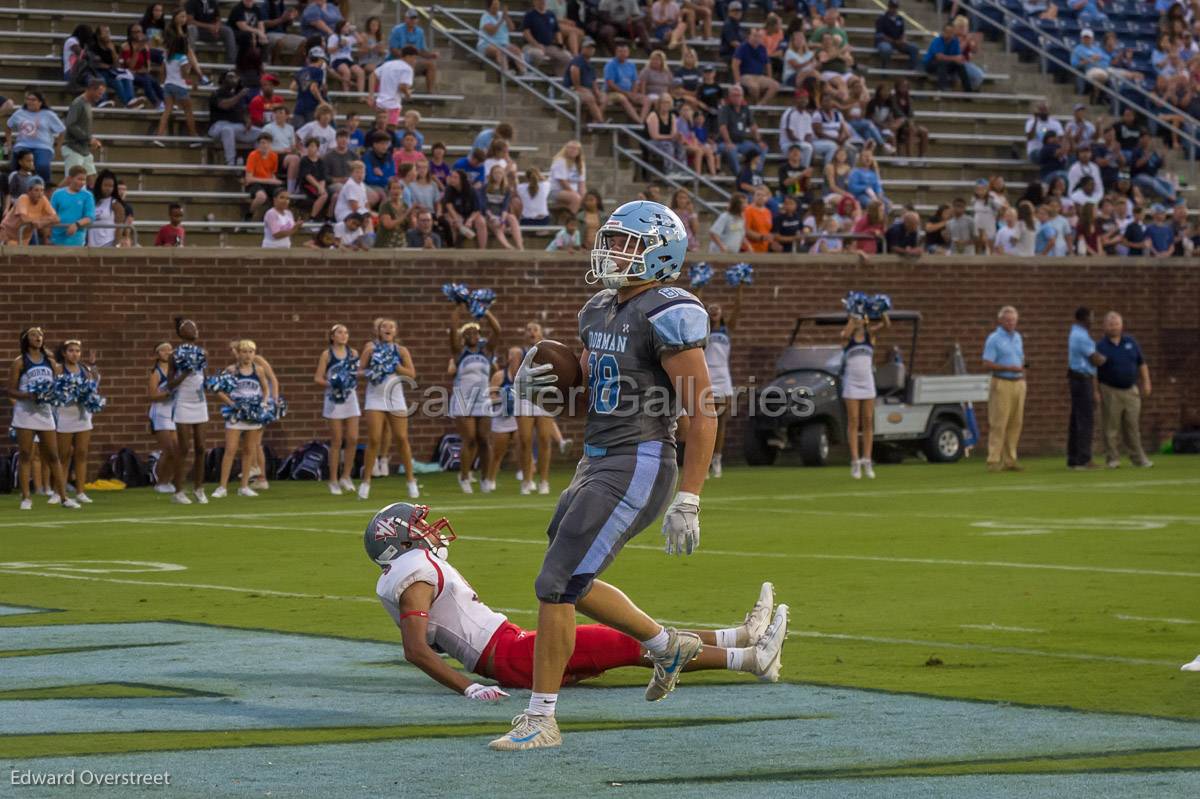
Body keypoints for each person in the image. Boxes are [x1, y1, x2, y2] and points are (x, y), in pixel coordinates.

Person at [489, 200, 717, 751]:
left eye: (626, 243)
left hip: (639, 459)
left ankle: (541, 718)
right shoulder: (598, 309)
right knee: (572, 578)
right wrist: (541, 390)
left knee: (557, 582)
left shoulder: (670, 308)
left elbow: (701, 410)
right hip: (597, 456)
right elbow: (593, 398)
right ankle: (667, 645)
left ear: (661, 252)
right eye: (611, 240)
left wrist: (690, 495)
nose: (612, 251)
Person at [366, 502, 788, 698]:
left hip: (511, 647)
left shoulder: (409, 571)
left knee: (629, 637)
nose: (431, 529)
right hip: (508, 655)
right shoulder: (412, 573)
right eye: (419, 525)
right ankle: (752, 660)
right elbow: (416, 649)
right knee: (632, 643)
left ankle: (740, 635)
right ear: (399, 538)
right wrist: (469, 688)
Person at [9, 327, 77, 510]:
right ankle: (26, 497)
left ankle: (63, 497)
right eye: (33, 334)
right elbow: (10, 390)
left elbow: (57, 385)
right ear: (25, 339)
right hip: (25, 412)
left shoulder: (51, 361)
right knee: (25, 455)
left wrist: (54, 394)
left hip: (45, 413)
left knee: (53, 455)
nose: (38, 337)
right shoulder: (19, 362)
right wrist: (27, 395)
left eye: (40, 334)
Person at [448, 304, 500, 494]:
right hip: (463, 399)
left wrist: (484, 310)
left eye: (475, 332)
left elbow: (497, 330)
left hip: (483, 398)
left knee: (484, 439)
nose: (472, 334)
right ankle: (464, 476)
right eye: (468, 332)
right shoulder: (459, 353)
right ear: (463, 337)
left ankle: (486, 478)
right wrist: (459, 307)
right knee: (469, 438)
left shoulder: (486, 352)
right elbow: (453, 328)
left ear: (479, 336)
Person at [691, 281, 742, 478]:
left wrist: (740, 286)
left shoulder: (728, 329)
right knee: (704, 419)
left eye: (717, 308)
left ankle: (717, 459)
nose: (714, 310)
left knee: (721, 421)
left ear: (721, 313)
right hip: (706, 374)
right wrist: (699, 286)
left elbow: (739, 307)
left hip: (723, 376)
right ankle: (703, 460)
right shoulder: (702, 329)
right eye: (711, 307)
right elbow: (697, 305)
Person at [1095, 311, 1153, 469]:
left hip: (1131, 390)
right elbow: (1093, 371)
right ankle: (1112, 459)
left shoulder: (1131, 342)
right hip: (1110, 390)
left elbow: (1142, 364)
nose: (1114, 326)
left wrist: (1146, 383)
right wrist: (1095, 391)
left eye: (1116, 323)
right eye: (1110, 324)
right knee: (1111, 427)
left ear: (1122, 325)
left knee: (1132, 426)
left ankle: (1138, 459)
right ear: (1104, 326)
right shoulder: (1100, 346)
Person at [841, 311, 889, 479]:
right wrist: (852, 318)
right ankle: (855, 462)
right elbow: (845, 334)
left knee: (868, 420)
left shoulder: (870, 336)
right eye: (857, 318)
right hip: (851, 383)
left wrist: (881, 309)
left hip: (867, 383)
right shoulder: (847, 338)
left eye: (862, 317)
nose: (860, 320)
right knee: (854, 421)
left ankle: (867, 459)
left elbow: (886, 325)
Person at [314, 324, 361, 495]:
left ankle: (346, 476)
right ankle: (333, 480)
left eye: (346, 332)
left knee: (353, 438)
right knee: (337, 440)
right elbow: (318, 378)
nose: (344, 335)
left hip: (350, 398)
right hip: (333, 399)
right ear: (332, 336)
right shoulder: (327, 354)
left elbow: (357, 374)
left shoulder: (353, 353)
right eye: (339, 332)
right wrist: (333, 384)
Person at [53, 340, 98, 504]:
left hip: (82, 415)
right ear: (64, 353)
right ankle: (59, 492)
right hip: (64, 415)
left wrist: (93, 368)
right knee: (63, 455)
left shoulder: (85, 370)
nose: (75, 354)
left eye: (78, 351)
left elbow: (93, 387)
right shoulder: (58, 369)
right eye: (71, 351)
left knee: (81, 453)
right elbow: (52, 390)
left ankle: (80, 492)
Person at [982, 306, 1026, 472]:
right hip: (1002, 382)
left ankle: (1010, 460)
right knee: (999, 422)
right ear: (1000, 320)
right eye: (1008, 320)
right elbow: (986, 363)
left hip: (1018, 383)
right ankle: (993, 460)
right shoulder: (994, 339)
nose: (1011, 323)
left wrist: (1022, 373)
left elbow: (1021, 359)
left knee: (1016, 422)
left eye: (1013, 320)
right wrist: (1008, 368)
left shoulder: (1018, 338)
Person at [1066, 307, 1106, 470]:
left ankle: (1073, 458)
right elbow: (1095, 359)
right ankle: (1084, 459)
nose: (1093, 321)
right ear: (1084, 318)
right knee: (1085, 420)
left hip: (1077, 379)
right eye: (1091, 317)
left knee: (1076, 420)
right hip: (1082, 380)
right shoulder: (1081, 336)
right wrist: (1104, 360)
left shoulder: (1075, 333)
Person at [6, 91, 63, 185]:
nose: (30, 102)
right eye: (28, 99)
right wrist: (9, 145)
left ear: (40, 102)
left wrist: (58, 149)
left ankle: (45, 188)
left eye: (33, 100)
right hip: (23, 144)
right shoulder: (20, 112)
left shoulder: (49, 114)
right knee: (16, 162)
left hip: (43, 146)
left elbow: (62, 131)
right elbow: (8, 127)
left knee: (42, 165)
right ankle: (14, 189)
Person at [147, 342, 181, 496]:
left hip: (175, 413)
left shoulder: (177, 370)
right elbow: (152, 395)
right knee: (168, 450)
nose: (168, 352)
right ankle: (160, 481)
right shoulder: (156, 372)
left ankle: (167, 480)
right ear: (157, 353)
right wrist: (168, 394)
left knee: (176, 451)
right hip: (160, 413)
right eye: (163, 349)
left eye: (170, 349)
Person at [208, 71, 260, 167]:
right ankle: (230, 163)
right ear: (223, 79)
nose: (234, 79)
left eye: (235, 77)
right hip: (218, 126)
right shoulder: (216, 93)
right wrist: (239, 95)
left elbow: (243, 112)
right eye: (230, 77)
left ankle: (259, 163)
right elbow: (224, 105)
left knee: (261, 133)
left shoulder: (235, 95)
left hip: (236, 127)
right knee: (227, 130)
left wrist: (247, 120)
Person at [63, 79, 105, 185]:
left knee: (92, 180)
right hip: (73, 148)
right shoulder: (78, 103)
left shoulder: (87, 104)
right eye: (99, 93)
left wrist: (91, 140)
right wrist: (89, 139)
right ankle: (52, 198)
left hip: (84, 149)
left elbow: (82, 127)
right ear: (91, 89)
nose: (100, 96)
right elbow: (70, 124)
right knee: (71, 180)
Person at [717, 86, 765, 176]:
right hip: (725, 142)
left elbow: (753, 126)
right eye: (734, 95)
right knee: (732, 150)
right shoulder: (725, 109)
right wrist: (728, 142)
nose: (737, 98)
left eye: (739, 95)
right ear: (729, 97)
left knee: (763, 148)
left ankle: (756, 173)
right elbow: (722, 127)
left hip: (742, 142)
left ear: (742, 97)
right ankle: (740, 176)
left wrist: (759, 141)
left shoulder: (745, 109)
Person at [388, 10, 440, 93]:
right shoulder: (397, 30)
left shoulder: (420, 32)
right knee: (410, 62)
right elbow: (393, 49)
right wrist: (407, 58)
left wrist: (431, 55)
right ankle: (406, 91)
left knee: (431, 64)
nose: (413, 20)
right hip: (395, 60)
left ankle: (430, 93)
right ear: (405, 19)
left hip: (412, 61)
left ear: (417, 20)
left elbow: (421, 51)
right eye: (411, 18)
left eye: (415, 18)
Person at [0, 177, 57, 246]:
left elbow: (56, 219)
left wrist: (41, 222)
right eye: (36, 190)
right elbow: (24, 218)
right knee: (11, 250)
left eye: (42, 190)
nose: (40, 194)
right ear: (29, 191)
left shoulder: (43, 199)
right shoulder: (23, 198)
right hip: (7, 233)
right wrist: (40, 221)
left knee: (22, 255)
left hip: (23, 236)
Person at [369, 47, 415, 127]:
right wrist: (408, 94)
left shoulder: (388, 64)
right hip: (393, 104)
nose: (414, 61)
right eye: (414, 58)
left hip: (380, 104)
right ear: (408, 56)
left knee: (379, 129)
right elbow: (402, 87)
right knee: (390, 132)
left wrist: (371, 96)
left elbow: (372, 75)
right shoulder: (407, 69)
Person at [49, 166, 95, 247]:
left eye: (84, 180)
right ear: (70, 179)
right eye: (79, 179)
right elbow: (50, 215)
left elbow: (90, 217)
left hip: (77, 238)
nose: (82, 183)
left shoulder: (88, 196)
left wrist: (76, 225)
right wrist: (48, 237)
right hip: (56, 238)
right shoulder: (57, 194)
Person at [478, 0, 526, 75]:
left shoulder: (501, 15)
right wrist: (501, 20)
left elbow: (512, 28)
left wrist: (506, 17)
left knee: (516, 50)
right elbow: (491, 31)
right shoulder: (485, 17)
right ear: (489, 7)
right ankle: (506, 72)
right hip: (487, 44)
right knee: (500, 51)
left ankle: (523, 72)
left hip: (503, 44)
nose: (497, 7)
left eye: (497, 5)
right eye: (494, 5)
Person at [732, 28, 780, 106]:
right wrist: (737, 82)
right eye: (754, 36)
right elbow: (735, 65)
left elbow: (768, 64)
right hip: (746, 75)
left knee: (775, 85)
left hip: (759, 76)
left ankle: (761, 104)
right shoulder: (742, 47)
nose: (757, 39)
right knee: (754, 87)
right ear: (749, 36)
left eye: (759, 37)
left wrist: (770, 77)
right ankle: (755, 104)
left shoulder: (762, 48)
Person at [523, 0, 572, 74]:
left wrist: (560, 44)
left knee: (567, 57)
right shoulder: (529, 15)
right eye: (540, 1)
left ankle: (559, 78)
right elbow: (526, 33)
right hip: (532, 46)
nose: (542, 2)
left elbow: (557, 31)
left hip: (549, 46)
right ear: (534, 2)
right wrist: (536, 45)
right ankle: (530, 73)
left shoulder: (551, 14)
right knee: (538, 54)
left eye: (543, 0)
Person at [564, 38, 604, 125]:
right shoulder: (578, 60)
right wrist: (578, 87)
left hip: (587, 90)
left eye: (592, 48)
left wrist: (597, 93)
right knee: (589, 97)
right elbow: (574, 71)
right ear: (583, 48)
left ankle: (594, 122)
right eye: (588, 47)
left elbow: (594, 82)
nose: (591, 50)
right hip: (571, 90)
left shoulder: (591, 64)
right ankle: (601, 123)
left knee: (603, 98)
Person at [603, 44, 645, 121]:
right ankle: (639, 121)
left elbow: (635, 81)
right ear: (616, 52)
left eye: (625, 51)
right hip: (611, 93)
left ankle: (645, 120)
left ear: (628, 53)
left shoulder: (631, 65)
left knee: (647, 100)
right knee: (622, 98)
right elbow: (610, 84)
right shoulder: (610, 65)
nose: (623, 53)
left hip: (629, 93)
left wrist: (633, 94)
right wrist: (626, 94)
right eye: (620, 51)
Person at [923, 23, 970, 92]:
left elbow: (958, 56)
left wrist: (959, 59)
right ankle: (943, 87)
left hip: (946, 64)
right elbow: (938, 57)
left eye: (951, 32)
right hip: (930, 64)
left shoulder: (955, 41)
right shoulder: (937, 40)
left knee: (960, 65)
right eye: (947, 32)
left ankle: (968, 89)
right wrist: (954, 58)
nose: (949, 34)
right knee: (942, 63)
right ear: (943, 32)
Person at [875, 0, 918, 69]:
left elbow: (903, 32)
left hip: (898, 42)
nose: (894, 9)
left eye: (895, 7)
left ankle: (911, 70)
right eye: (892, 7)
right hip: (885, 42)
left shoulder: (900, 19)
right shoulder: (881, 19)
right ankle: (885, 68)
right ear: (888, 7)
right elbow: (881, 35)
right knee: (886, 49)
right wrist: (894, 41)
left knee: (914, 47)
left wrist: (903, 40)